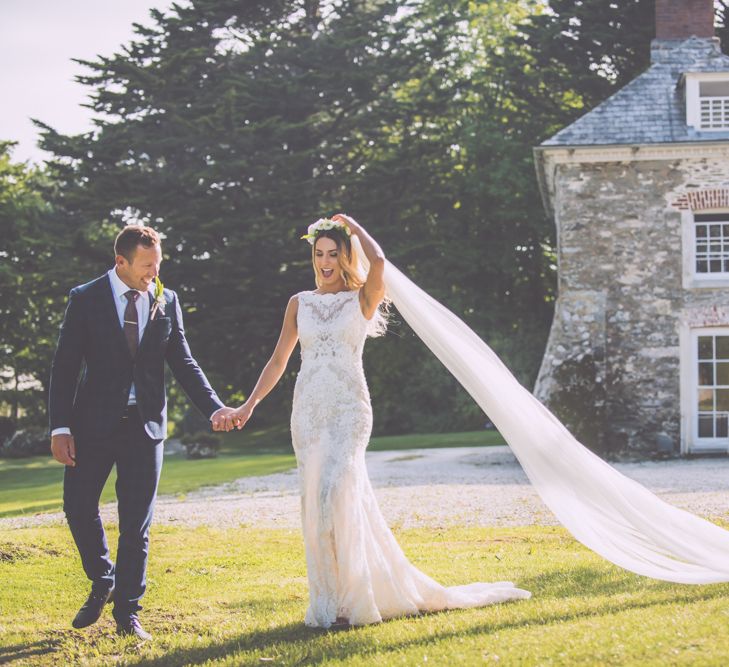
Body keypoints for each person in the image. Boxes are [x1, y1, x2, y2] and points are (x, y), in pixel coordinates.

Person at [223, 214, 531, 627]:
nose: (326, 261)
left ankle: (360, 597)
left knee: (337, 492)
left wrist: (352, 224)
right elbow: (279, 360)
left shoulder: (362, 299)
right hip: (309, 411)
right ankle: (331, 602)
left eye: (334, 253)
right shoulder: (300, 303)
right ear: (313, 257)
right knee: (317, 504)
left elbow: (381, 262)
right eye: (320, 254)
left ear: (347, 256)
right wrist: (249, 406)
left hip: (350, 410)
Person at [48, 225, 236, 640]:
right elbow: (64, 366)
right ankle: (103, 579)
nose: (154, 272)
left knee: (137, 525)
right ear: (121, 262)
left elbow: (183, 361)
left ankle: (128, 615)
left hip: (145, 426)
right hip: (91, 424)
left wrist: (215, 406)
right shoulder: (85, 299)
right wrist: (60, 426)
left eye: (158, 264)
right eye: (147, 265)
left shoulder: (166, 300)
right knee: (78, 506)